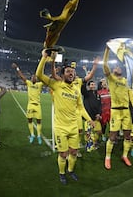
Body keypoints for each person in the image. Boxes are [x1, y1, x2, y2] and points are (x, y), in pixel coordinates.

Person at [36, 50, 95, 185]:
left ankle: (70, 170)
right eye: (68, 71)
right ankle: (62, 173)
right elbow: (39, 74)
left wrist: (89, 119)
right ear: (62, 74)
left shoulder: (75, 89)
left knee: (73, 152)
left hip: (74, 126)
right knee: (63, 154)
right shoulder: (56, 85)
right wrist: (44, 58)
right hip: (61, 127)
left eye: (73, 72)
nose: (71, 73)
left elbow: (80, 107)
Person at [103, 45, 133, 170]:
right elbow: (105, 66)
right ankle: (108, 157)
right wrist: (107, 50)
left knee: (127, 135)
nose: (118, 67)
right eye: (116, 67)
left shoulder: (126, 81)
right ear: (113, 71)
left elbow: (131, 95)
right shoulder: (111, 79)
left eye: (119, 66)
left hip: (126, 112)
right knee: (113, 136)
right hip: (115, 112)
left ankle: (125, 155)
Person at [12, 63, 44, 145]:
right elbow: (22, 77)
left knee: (39, 121)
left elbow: (47, 79)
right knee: (29, 120)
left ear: (36, 79)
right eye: (33, 77)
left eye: (35, 77)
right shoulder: (29, 83)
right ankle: (32, 135)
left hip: (37, 105)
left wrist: (55, 72)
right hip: (30, 105)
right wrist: (17, 68)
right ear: (31, 78)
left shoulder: (39, 85)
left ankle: (39, 136)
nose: (34, 78)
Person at [81, 80, 102, 150]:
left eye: (94, 84)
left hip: (96, 116)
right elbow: (83, 89)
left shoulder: (97, 94)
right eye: (91, 85)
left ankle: (94, 142)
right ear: (89, 86)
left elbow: (100, 105)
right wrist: (85, 81)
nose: (93, 86)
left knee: (99, 131)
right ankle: (89, 145)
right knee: (88, 132)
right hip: (88, 116)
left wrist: (99, 113)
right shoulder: (86, 93)